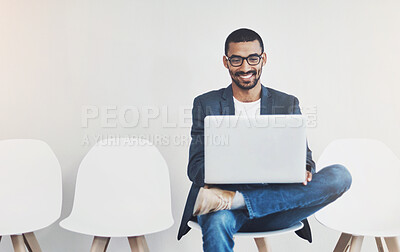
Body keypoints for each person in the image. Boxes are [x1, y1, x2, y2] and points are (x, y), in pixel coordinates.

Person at [177, 28, 352, 252]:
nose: (245, 67)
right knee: (217, 222)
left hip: (276, 208)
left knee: (340, 175)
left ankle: (240, 199)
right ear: (225, 62)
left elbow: (304, 158)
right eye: (236, 60)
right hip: (223, 209)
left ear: (263, 59)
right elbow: (195, 168)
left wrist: (304, 169)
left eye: (252, 58)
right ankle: (237, 201)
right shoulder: (206, 104)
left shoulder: (286, 103)